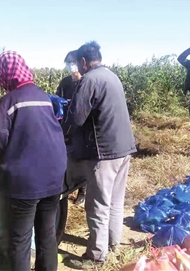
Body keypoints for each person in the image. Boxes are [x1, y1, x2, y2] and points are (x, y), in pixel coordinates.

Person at [0, 51, 67, 271]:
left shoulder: (8, 102)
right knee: (47, 234)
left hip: (26, 181)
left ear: (4, 74)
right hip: (54, 176)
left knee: (20, 240)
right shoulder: (43, 97)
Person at [63, 41, 136, 269]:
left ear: (83, 62)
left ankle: (95, 256)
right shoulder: (111, 76)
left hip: (104, 152)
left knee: (97, 205)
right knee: (115, 200)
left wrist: (61, 133)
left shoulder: (89, 80)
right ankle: (113, 243)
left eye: (78, 63)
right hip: (124, 149)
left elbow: (76, 118)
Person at [56, 50, 86, 206]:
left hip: (81, 128)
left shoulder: (86, 81)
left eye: (72, 62)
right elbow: (57, 100)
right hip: (66, 126)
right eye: (68, 63)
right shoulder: (65, 83)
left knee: (82, 159)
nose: (71, 66)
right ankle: (67, 186)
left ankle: (82, 190)